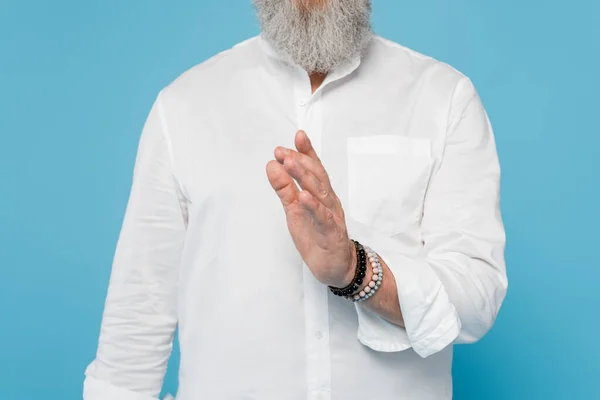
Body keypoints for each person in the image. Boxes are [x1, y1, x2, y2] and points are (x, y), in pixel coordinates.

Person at [83, 0, 508, 399]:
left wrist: (354, 269)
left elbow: (476, 300)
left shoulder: (443, 99)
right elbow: (137, 316)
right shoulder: (183, 106)